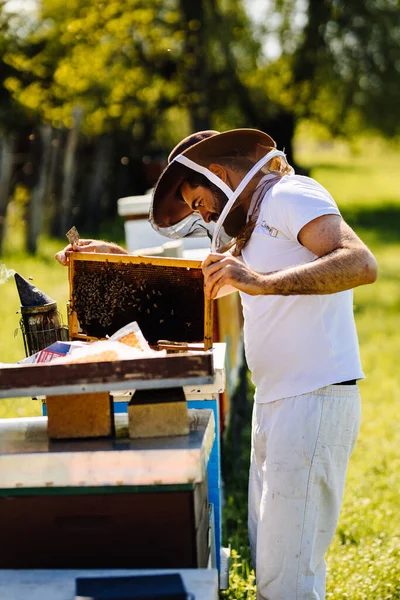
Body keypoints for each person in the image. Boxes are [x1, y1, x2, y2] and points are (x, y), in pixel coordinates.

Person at [55, 129, 377, 600]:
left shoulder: (292, 193)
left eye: (200, 200)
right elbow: (186, 283)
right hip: (276, 403)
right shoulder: (253, 227)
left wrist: (260, 282)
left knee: (290, 579)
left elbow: (359, 261)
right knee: (272, 565)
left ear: (222, 176)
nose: (201, 215)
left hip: (315, 398)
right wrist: (115, 260)